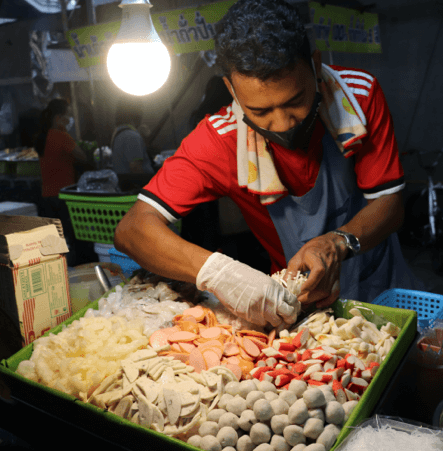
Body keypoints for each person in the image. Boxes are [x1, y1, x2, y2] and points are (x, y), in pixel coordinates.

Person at [114, 0, 421, 328]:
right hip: (297, 302)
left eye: (296, 102)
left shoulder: (356, 97)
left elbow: (389, 203)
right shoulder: (219, 140)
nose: (283, 124)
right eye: (260, 111)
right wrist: (224, 275)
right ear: (231, 89)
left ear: (315, 67)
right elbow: (132, 230)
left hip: (380, 281)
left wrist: (338, 241)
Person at [35, 98, 90, 265]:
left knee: (56, 241)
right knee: (75, 239)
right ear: (58, 118)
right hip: (63, 198)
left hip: (46, 197)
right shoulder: (61, 136)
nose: (70, 119)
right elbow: (82, 156)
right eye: (68, 115)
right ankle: (77, 268)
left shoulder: (43, 137)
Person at [111, 96, 154, 175]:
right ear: (136, 112)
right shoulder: (131, 136)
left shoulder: (120, 132)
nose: (142, 113)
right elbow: (136, 168)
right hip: (139, 185)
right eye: (140, 109)